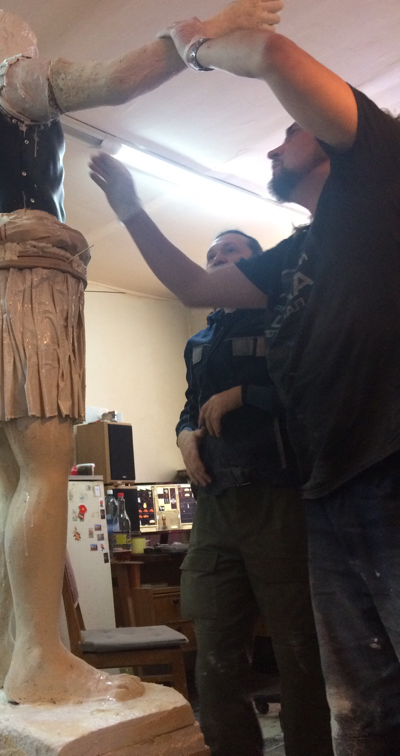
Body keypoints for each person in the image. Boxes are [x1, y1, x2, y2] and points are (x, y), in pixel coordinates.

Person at [0, 0, 295, 705]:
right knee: (45, 469)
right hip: (25, 278)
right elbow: (118, 80)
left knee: (10, 479)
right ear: (16, 44)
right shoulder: (14, 78)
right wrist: (205, 32)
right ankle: (39, 657)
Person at [89, 18, 400, 754]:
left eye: (289, 133)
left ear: (331, 142)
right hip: (326, 489)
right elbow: (195, 286)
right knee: (362, 708)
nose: (272, 146)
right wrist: (130, 206)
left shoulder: (380, 180)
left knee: (330, 676)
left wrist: (189, 45)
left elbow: (268, 53)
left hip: (388, 470)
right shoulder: (295, 255)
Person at [176, 229, 332, 756]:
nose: (218, 257)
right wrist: (184, 434)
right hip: (216, 506)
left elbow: (315, 389)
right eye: (211, 253)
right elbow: (190, 405)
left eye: (231, 251)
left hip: (279, 500)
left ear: (256, 265)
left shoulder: (286, 318)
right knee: (215, 654)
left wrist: (246, 394)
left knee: (298, 648)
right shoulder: (199, 341)